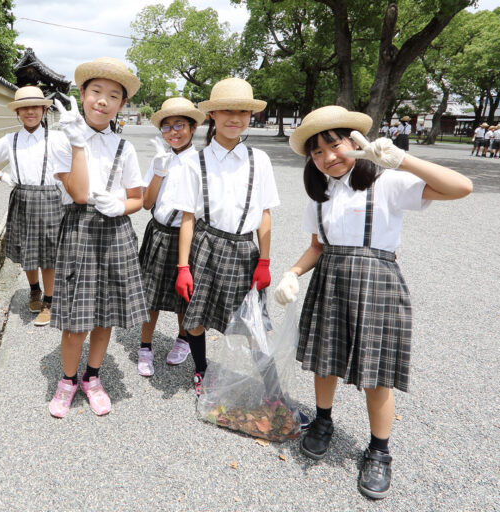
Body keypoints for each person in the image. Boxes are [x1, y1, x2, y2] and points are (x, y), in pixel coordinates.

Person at [274, 105, 472, 499]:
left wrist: (403, 159)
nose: (328, 157)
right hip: (330, 280)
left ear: (355, 142)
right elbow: (317, 247)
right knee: (324, 360)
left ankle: (379, 452)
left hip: (377, 283)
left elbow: (461, 187)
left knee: (376, 375)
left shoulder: (387, 182)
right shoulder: (321, 195)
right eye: (317, 152)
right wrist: (292, 273)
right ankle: (324, 422)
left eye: (335, 144)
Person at [48, 57, 148, 417]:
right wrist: (77, 144)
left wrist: (120, 206)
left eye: (113, 95)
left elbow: (138, 198)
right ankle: (67, 381)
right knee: (77, 320)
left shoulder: (126, 147)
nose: (103, 101)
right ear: (82, 94)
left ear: (122, 104)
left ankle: (92, 377)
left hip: (115, 231)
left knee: (105, 315)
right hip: (80, 229)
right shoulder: (62, 139)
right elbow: (77, 193)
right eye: (96, 92)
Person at [171, 77, 280, 395]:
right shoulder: (193, 162)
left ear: (251, 116)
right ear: (212, 115)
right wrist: (182, 267)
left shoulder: (260, 160)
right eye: (227, 111)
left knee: (254, 324)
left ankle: (272, 387)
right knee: (195, 315)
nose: (235, 118)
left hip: (245, 250)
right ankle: (201, 370)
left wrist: (265, 260)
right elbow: (188, 218)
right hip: (205, 247)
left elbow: (265, 214)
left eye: (243, 112)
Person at [0, 86, 65, 327]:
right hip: (22, 197)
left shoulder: (57, 138)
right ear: (18, 113)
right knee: (27, 250)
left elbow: (75, 165)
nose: (30, 112)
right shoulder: (10, 140)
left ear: (44, 110)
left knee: (49, 255)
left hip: (49, 198)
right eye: (24, 108)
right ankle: (34, 290)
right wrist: (3, 177)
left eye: (35, 107)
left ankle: (49, 301)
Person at [136, 97, 205, 376]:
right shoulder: (159, 158)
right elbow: (146, 203)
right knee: (150, 295)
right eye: (166, 127)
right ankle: (144, 346)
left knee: (183, 295)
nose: (173, 132)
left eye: (180, 125)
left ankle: (183, 339)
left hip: (188, 234)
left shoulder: (202, 162)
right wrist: (159, 172)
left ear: (193, 128)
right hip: (159, 232)